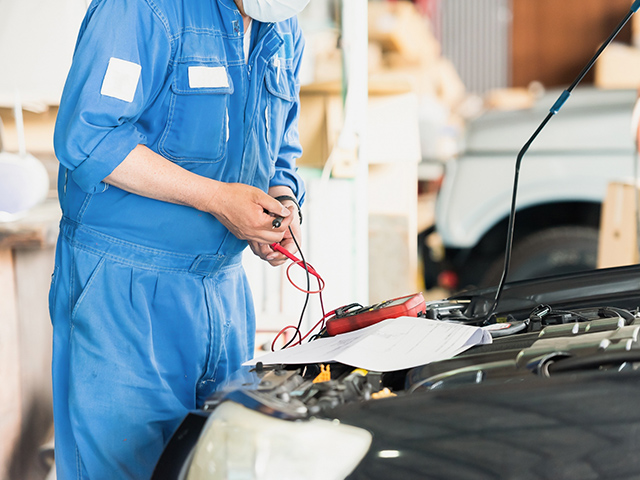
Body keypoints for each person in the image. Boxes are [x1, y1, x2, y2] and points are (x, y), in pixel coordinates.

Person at [49, 0, 309, 478]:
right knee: (126, 466)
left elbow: (282, 139)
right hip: (124, 290)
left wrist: (280, 199)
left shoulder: (281, 25)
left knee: (214, 464)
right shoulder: (141, 9)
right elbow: (89, 138)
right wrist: (215, 198)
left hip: (223, 293)